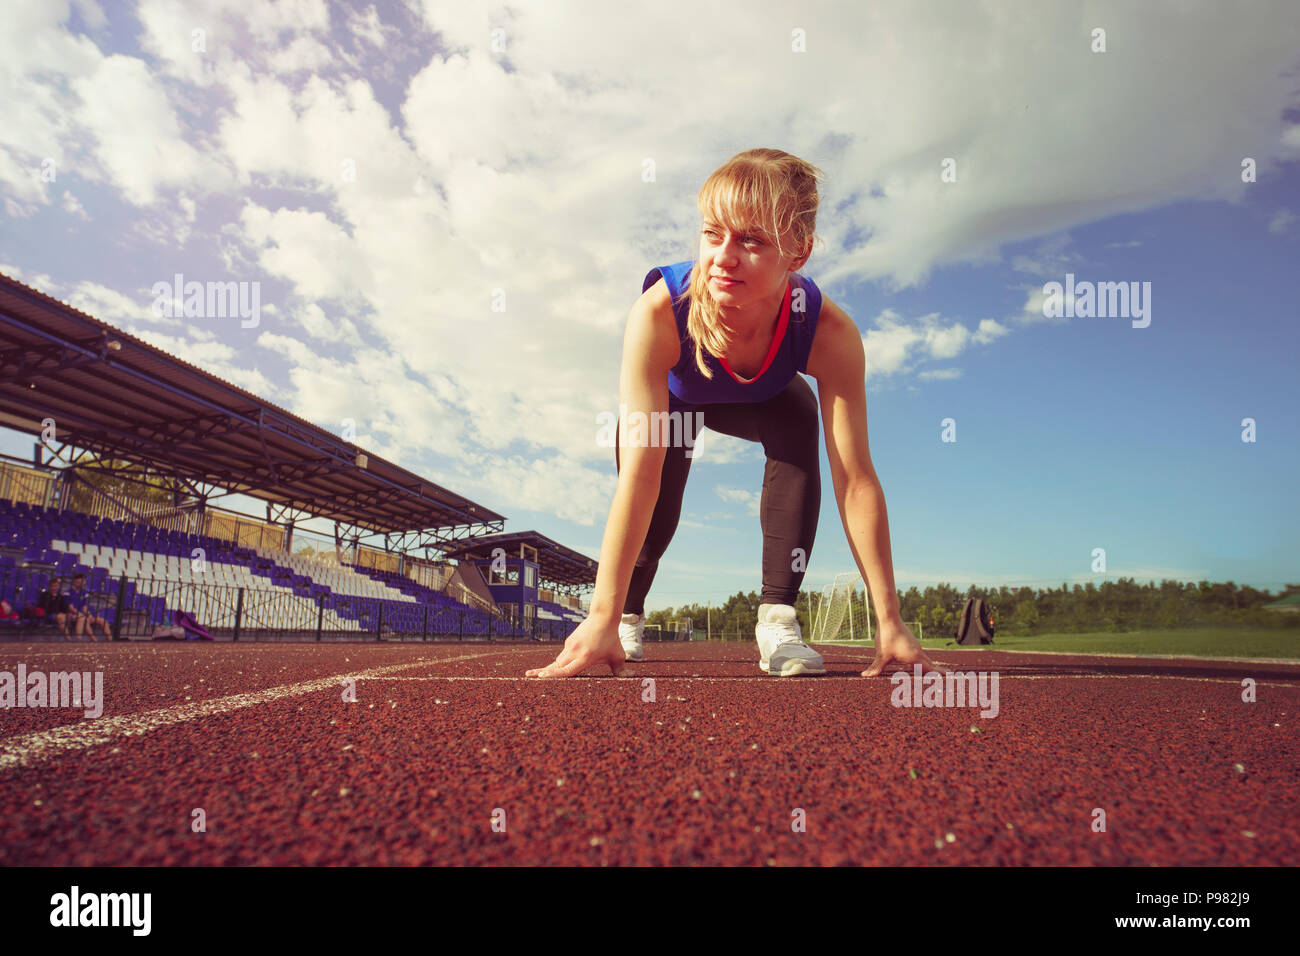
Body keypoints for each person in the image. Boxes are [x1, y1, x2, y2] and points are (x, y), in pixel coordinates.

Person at [527, 148, 940, 680]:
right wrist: (599, 615)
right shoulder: (659, 313)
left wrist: (891, 620)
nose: (723, 257)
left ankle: (777, 621)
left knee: (798, 413)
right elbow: (640, 475)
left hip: (766, 398)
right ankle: (624, 615)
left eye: (751, 240)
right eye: (712, 233)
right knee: (659, 507)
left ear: (799, 251)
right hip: (677, 400)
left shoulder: (829, 332)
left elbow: (856, 479)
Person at [68, 572, 111, 641]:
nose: (81, 583)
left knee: (102, 621)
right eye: (78, 582)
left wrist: (89, 614)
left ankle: (110, 640)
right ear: (74, 582)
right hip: (72, 614)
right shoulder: (69, 592)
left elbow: (84, 606)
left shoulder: (83, 592)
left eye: (82, 581)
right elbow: (70, 607)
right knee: (84, 619)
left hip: (82, 614)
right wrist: (80, 614)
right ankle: (86, 639)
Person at [37, 576, 74, 640]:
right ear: (49, 586)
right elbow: (44, 607)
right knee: (61, 617)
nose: (54, 588)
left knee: (65, 617)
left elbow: (63, 608)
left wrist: (66, 613)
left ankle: (71, 637)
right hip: (48, 614)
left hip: (59, 615)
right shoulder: (44, 595)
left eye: (56, 586)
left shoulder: (60, 596)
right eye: (53, 586)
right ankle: (68, 638)